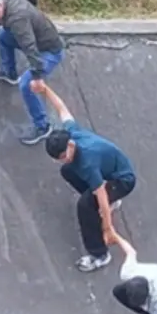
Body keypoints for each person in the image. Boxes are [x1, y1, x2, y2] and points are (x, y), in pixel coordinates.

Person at [40, 83, 137, 273]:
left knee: (85, 206)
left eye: (62, 157)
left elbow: (100, 193)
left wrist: (107, 227)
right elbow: (62, 108)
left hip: (123, 181)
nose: (62, 160)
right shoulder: (72, 131)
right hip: (110, 171)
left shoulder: (87, 162)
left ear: (69, 145)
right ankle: (108, 204)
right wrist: (45, 89)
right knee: (67, 171)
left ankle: (99, 254)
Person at [0, 0, 64, 145]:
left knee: (26, 84)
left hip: (48, 51)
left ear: (0, 7)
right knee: (2, 36)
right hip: (38, 41)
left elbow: (30, 48)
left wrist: (37, 76)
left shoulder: (18, 21)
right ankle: (9, 73)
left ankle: (42, 126)